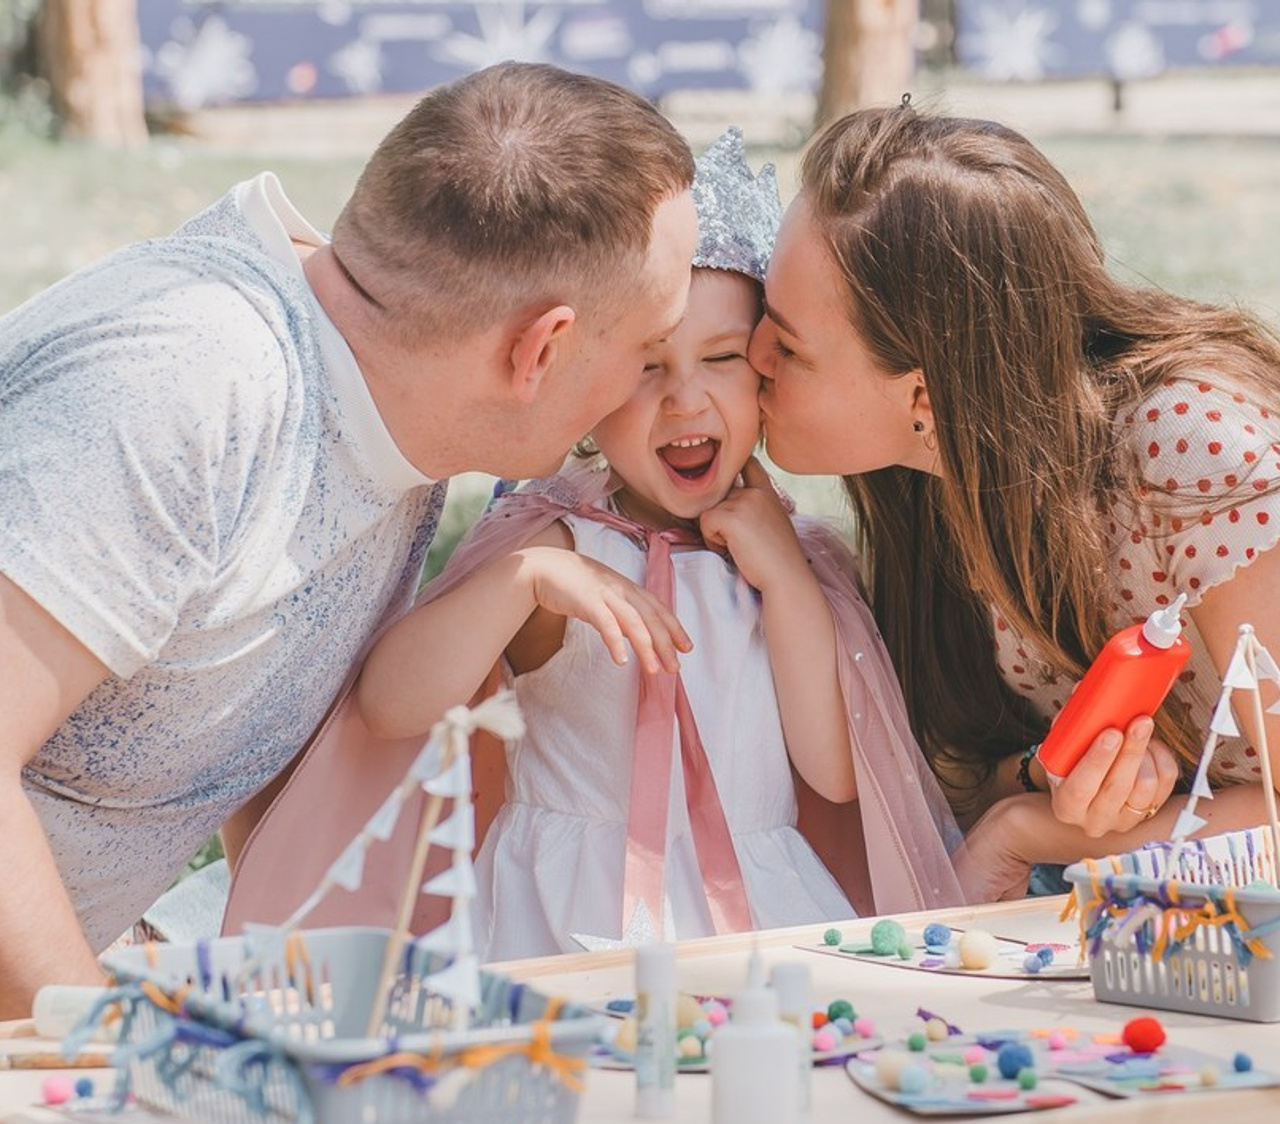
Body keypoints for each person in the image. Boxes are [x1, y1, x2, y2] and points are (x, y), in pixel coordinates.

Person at [0, 62, 698, 1016]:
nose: (648, 391)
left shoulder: (396, 398)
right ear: (539, 350)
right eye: (649, 353)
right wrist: (109, 1063)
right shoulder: (185, 389)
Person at [341, 129, 965, 959]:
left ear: (768, 369)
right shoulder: (554, 544)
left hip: (759, 906)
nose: (685, 400)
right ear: (588, 380)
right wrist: (524, 581)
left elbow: (834, 772)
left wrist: (785, 581)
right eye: (647, 368)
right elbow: (390, 704)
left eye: (722, 357)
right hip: (563, 913)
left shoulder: (795, 558)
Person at [748, 103, 1280, 901]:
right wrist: (1040, 779)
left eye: (789, 345)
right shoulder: (935, 482)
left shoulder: (1188, 450)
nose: (753, 353)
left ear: (924, 396)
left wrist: (1027, 830)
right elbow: (957, 780)